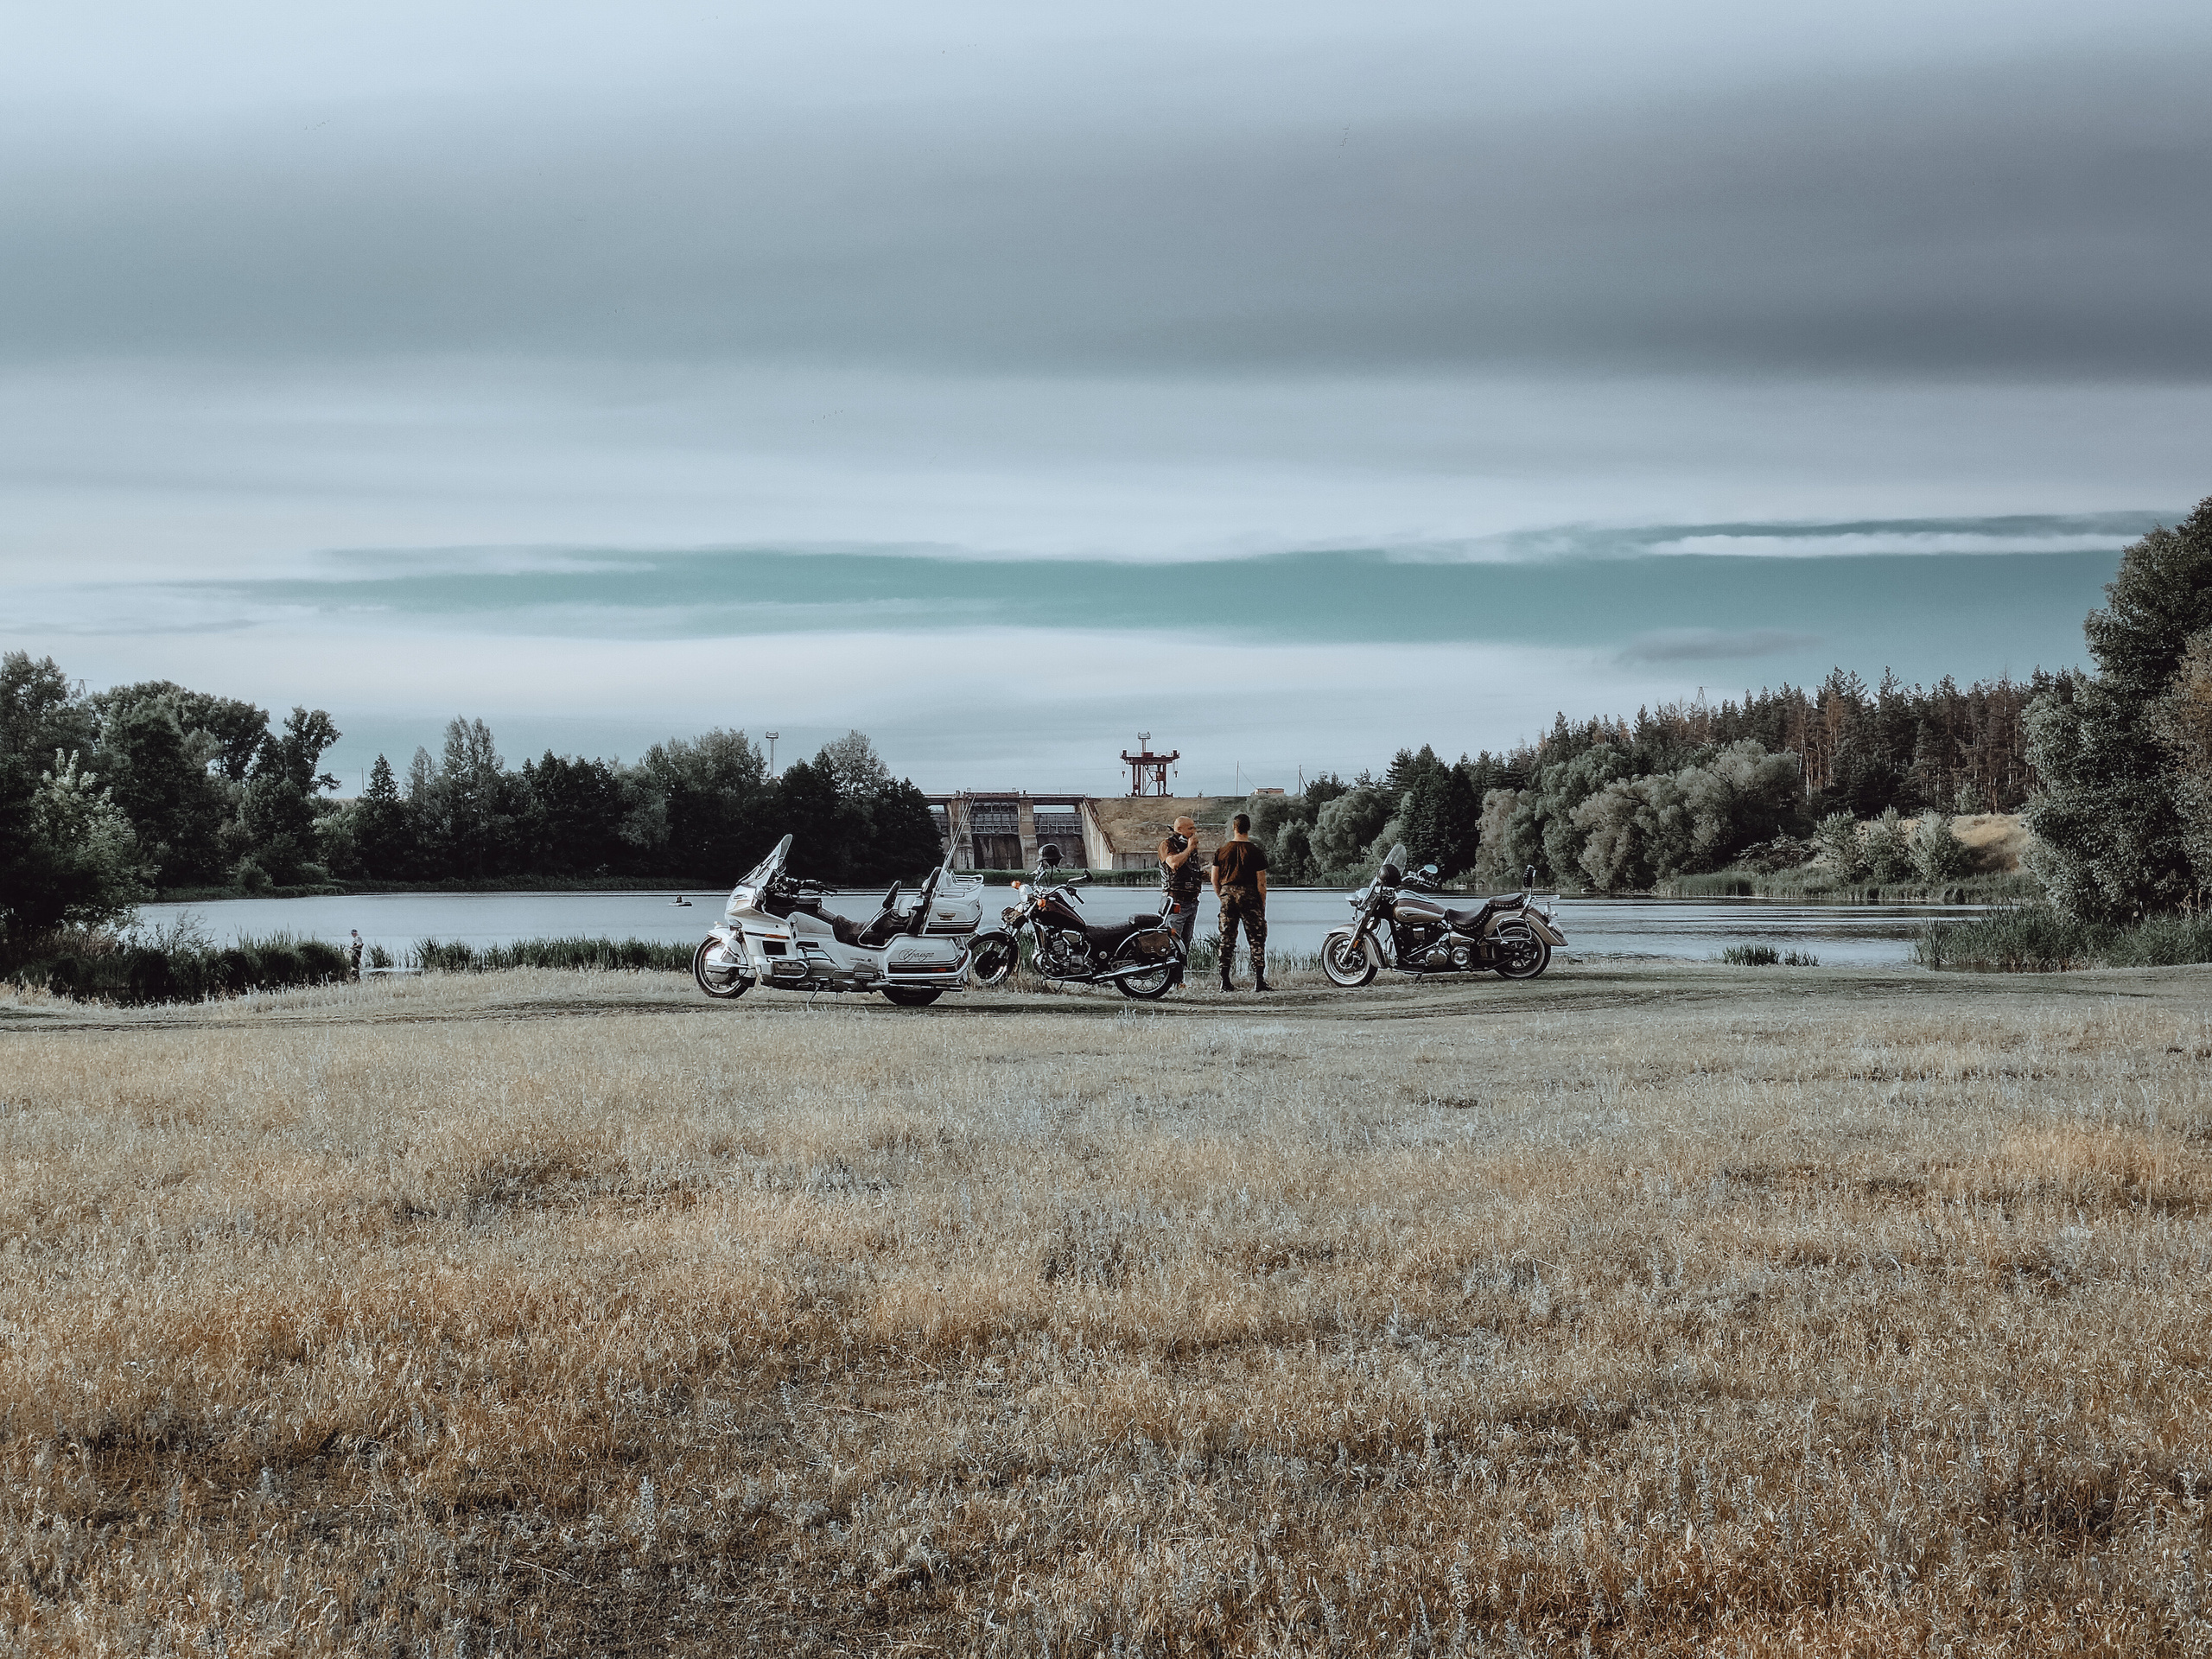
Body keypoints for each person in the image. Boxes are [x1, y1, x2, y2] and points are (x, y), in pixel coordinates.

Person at [1211, 812, 1270, 992]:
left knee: (1226, 938)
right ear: (1248, 828)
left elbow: (1214, 879)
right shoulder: (1256, 852)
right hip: (1249, 895)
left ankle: (1225, 981)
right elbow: (1261, 883)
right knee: (1256, 938)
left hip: (1227, 895)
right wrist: (1261, 905)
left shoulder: (1222, 851)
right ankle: (1259, 981)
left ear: (1234, 828)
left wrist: (1222, 896)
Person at [1157, 816, 1205, 989]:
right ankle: (1166, 981)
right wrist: (1190, 848)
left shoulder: (1189, 849)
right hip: (1175, 901)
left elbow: (1189, 871)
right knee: (1172, 942)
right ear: (1180, 829)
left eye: (1194, 828)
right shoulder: (1167, 845)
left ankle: (1178, 981)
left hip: (1192, 902)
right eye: (1190, 828)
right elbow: (1174, 864)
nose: (1194, 832)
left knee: (1184, 944)